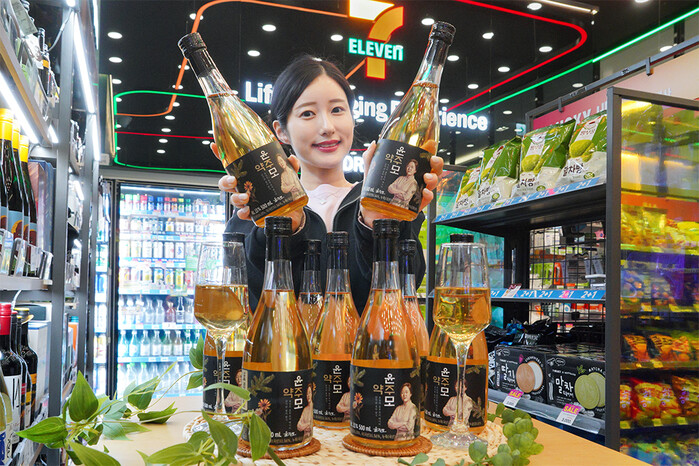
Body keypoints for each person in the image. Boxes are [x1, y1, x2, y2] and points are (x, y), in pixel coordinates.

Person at [215, 55, 443, 313]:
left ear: (352, 118)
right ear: (280, 131)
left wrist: (377, 227)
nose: (327, 127)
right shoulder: (251, 214)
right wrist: (280, 229)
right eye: (307, 113)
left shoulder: (388, 203)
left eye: (337, 110)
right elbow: (246, 303)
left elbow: (404, 295)